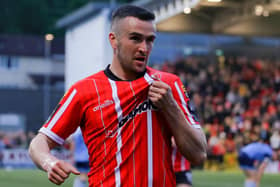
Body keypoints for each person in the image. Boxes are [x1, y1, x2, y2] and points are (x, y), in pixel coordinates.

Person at [28, 5, 207, 186]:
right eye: (135, 39)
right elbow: (39, 143)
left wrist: (170, 107)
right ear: (113, 40)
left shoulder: (168, 85)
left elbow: (198, 154)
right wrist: (49, 162)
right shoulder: (84, 91)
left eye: (150, 40)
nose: (144, 48)